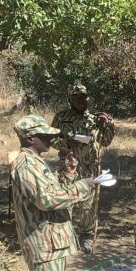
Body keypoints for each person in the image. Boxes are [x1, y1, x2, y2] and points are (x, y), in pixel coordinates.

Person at [12, 115, 97, 271]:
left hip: (52, 241)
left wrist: (71, 176)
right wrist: (84, 186)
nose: (50, 139)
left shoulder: (37, 163)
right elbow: (47, 200)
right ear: (30, 139)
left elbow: (55, 191)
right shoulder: (25, 165)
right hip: (42, 242)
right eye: (45, 135)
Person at [52, 82, 115, 254]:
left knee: (88, 205)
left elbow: (106, 142)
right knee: (67, 201)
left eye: (83, 97)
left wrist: (108, 124)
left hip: (89, 168)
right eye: (77, 97)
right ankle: (66, 235)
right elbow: (51, 140)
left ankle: (86, 236)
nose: (81, 100)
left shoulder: (94, 120)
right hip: (68, 168)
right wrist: (66, 143)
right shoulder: (61, 117)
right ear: (70, 99)